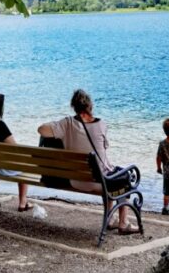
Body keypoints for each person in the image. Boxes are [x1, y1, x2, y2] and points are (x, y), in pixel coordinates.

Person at [38, 89, 138, 234]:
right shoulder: (102, 124)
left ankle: (110, 219)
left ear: (74, 107)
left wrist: (59, 126)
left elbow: (41, 130)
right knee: (124, 176)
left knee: (110, 174)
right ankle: (123, 223)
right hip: (99, 182)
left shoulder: (67, 123)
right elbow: (104, 152)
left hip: (76, 180)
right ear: (90, 106)